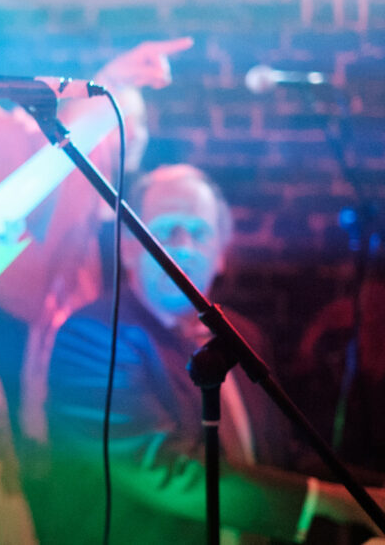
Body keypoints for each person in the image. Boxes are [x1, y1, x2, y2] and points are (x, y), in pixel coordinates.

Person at [43, 163, 385, 544]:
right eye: (165, 231)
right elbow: (162, 466)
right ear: (128, 249)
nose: (183, 248)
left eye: (199, 232)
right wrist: (337, 503)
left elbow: (277, 458)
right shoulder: (92, 336)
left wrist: (367, 492)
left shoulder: (243, 334)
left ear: (221, 254)